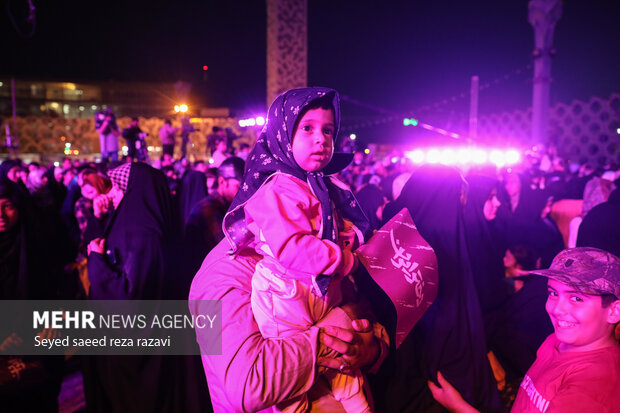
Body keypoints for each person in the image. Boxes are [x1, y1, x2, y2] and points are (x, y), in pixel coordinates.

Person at [189, 87, 388, 412]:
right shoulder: (218, 275)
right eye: (306, 130)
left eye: (327, 131)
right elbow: (246, 388)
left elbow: (364, 317)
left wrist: (369, 347)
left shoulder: (325, 246)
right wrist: (330, 334)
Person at [430, 247, 620, 412]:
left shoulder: (594, 387)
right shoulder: (556, 340)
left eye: (576, 298)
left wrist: (458, 407)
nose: (556, 309)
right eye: (553, 293)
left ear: (614, 311)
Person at [84, 162, 210, 412]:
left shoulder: (141, 234)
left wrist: (97, 265)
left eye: (117, 189)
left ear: (135, 190)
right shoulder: (142, 226)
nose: (111, 194)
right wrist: (98, 219)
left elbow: (131, 300)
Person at [377, 166, 501, 412]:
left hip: (409, 385)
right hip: (426, 385)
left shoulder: (389, 246)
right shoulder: (434, 253)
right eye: (457, 204)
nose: (460, 213)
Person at [183, 156, 244, 274]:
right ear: (222, 181)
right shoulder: (208, 209)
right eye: (238, 186)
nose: (243, 192)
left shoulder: (229, 206)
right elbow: (227, 247)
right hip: (206, 274)